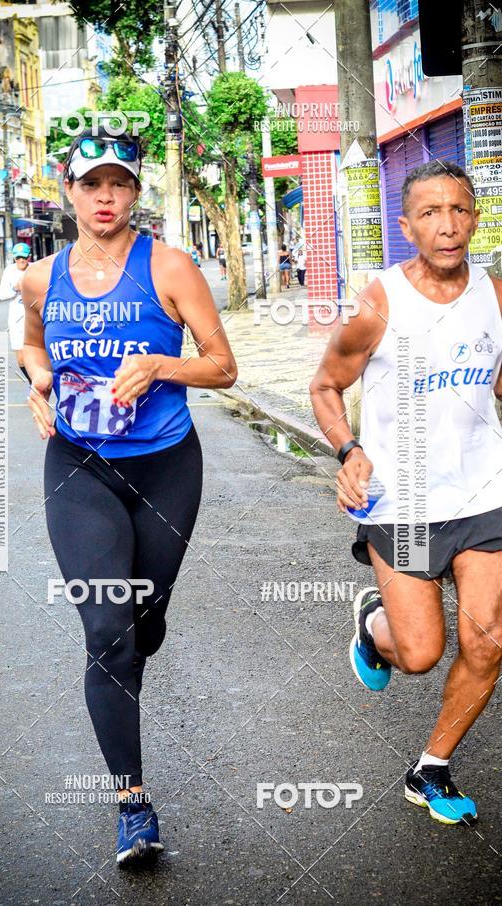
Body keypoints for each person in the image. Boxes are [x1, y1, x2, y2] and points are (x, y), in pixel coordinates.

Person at [20, 125, 238, 865]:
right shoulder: (40, 278)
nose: (104, 197)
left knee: (143, 620)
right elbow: (26, 341)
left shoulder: (170, 267)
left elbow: (223, 366)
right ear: (69, 191)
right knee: (108, 635)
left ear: (136, 192)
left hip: (166, 466)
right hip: (77, 465)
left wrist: (157, 363)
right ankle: (133, 807)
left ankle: (148, 620)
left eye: (118, 184)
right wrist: (37, 379)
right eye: (90, 184)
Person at [310, 159, 502, 827]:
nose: (447, 225)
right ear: (406, 227)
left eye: (459, 210)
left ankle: (432, 768)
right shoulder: (379, 303)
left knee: (488, 641)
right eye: (429, 213)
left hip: (484, 499)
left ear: (475, 218)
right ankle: (373, 627)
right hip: (404, 504)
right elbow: (324, 387)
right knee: (419, 653)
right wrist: (349, 450)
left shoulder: (496, 295)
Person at [0, 242, 32, 382]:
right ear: (14, 258)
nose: (21, 260)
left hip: (34, 317)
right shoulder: (9, 271)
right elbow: (2, 295)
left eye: (24, 257)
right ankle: (32, 382)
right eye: (18, 258)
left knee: (37, 354)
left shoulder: (36, 269)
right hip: (16, 318)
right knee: (21, 360)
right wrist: (15, 288)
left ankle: (36, 384)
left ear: (29, 257)